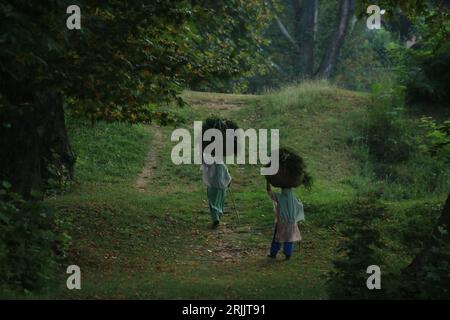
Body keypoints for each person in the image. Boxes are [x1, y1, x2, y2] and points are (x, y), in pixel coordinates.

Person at [266, 181, 304, 260]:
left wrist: (268, 182)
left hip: (282, 223)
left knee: (277, 238)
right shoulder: (293, 199)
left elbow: (270, 192)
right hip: (292, 223)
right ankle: (288, 255)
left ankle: (273, 253)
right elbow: (300, 206)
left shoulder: (280, 197)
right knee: (289, 239)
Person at [202, 161, 232, 228]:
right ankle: (218, 216)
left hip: (213, 187)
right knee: (220, 202)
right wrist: (228, 182)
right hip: (222, 187)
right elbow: (227, 175)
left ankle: (216, 219)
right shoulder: (222, 164)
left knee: (213, 203)